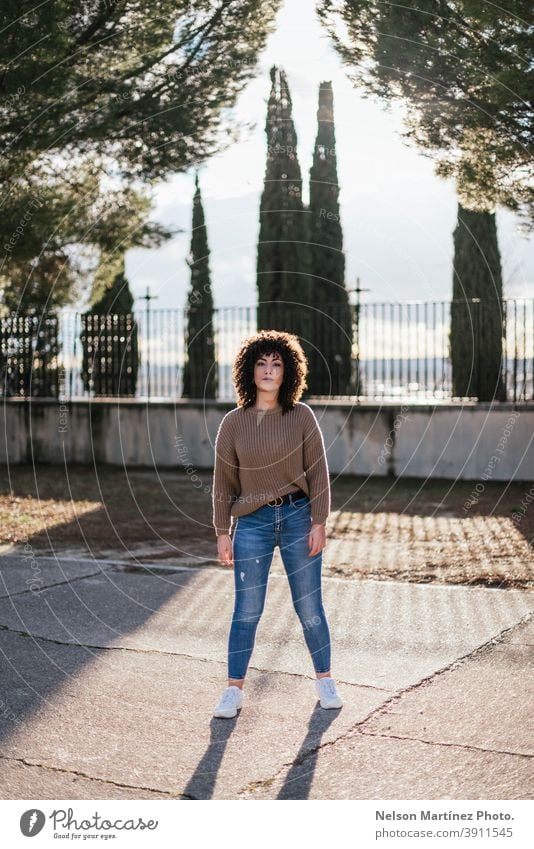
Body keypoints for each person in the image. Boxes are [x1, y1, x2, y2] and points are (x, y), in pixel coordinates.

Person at [212, 329, 343, 718]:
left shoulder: (301, 416)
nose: (269, 370)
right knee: (247, 610)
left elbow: (318, 473)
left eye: (277, 364)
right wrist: (223, 531)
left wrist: (318, 521)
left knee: (310, 606)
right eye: (261, 363)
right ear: (249, 372)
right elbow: (223, 482)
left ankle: (325, 681)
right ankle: (234, 691)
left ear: (288, 373)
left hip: (299, 516)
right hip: (251, 523)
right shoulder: (233, 423)